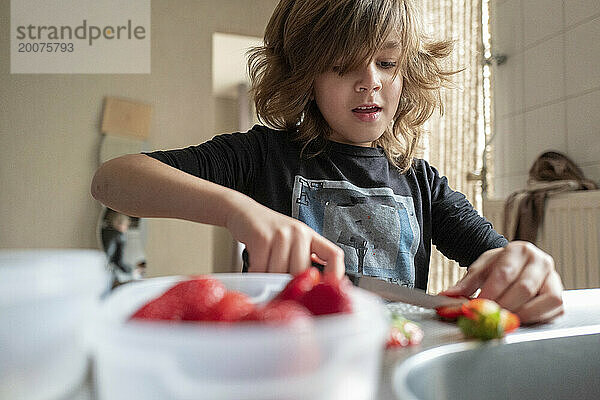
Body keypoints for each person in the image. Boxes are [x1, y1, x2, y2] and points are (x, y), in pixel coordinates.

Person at [91, 0, 563, 324]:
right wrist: (240, 211)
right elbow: (113, 179)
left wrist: (521, 265)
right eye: (342, 64)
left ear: (408, 72)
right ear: (306, 76)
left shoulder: (421, 183)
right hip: (284, 365)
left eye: (387, 63)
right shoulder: (263, 155)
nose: (369, 81)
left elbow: (496, 257)